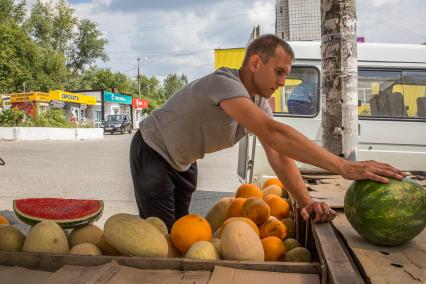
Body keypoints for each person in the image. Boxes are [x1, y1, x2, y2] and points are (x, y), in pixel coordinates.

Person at [130, 34, 404, 231]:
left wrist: (307, 202)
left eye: (286, 74)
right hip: (153, 152)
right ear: (255, 63)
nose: (283, 82)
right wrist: (344, 166)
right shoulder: (223, 82)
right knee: (159, 235)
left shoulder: (259, 102)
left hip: (184, 163)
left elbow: (279, 154)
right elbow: (274, 133)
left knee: (181, 231)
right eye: (279, 72)